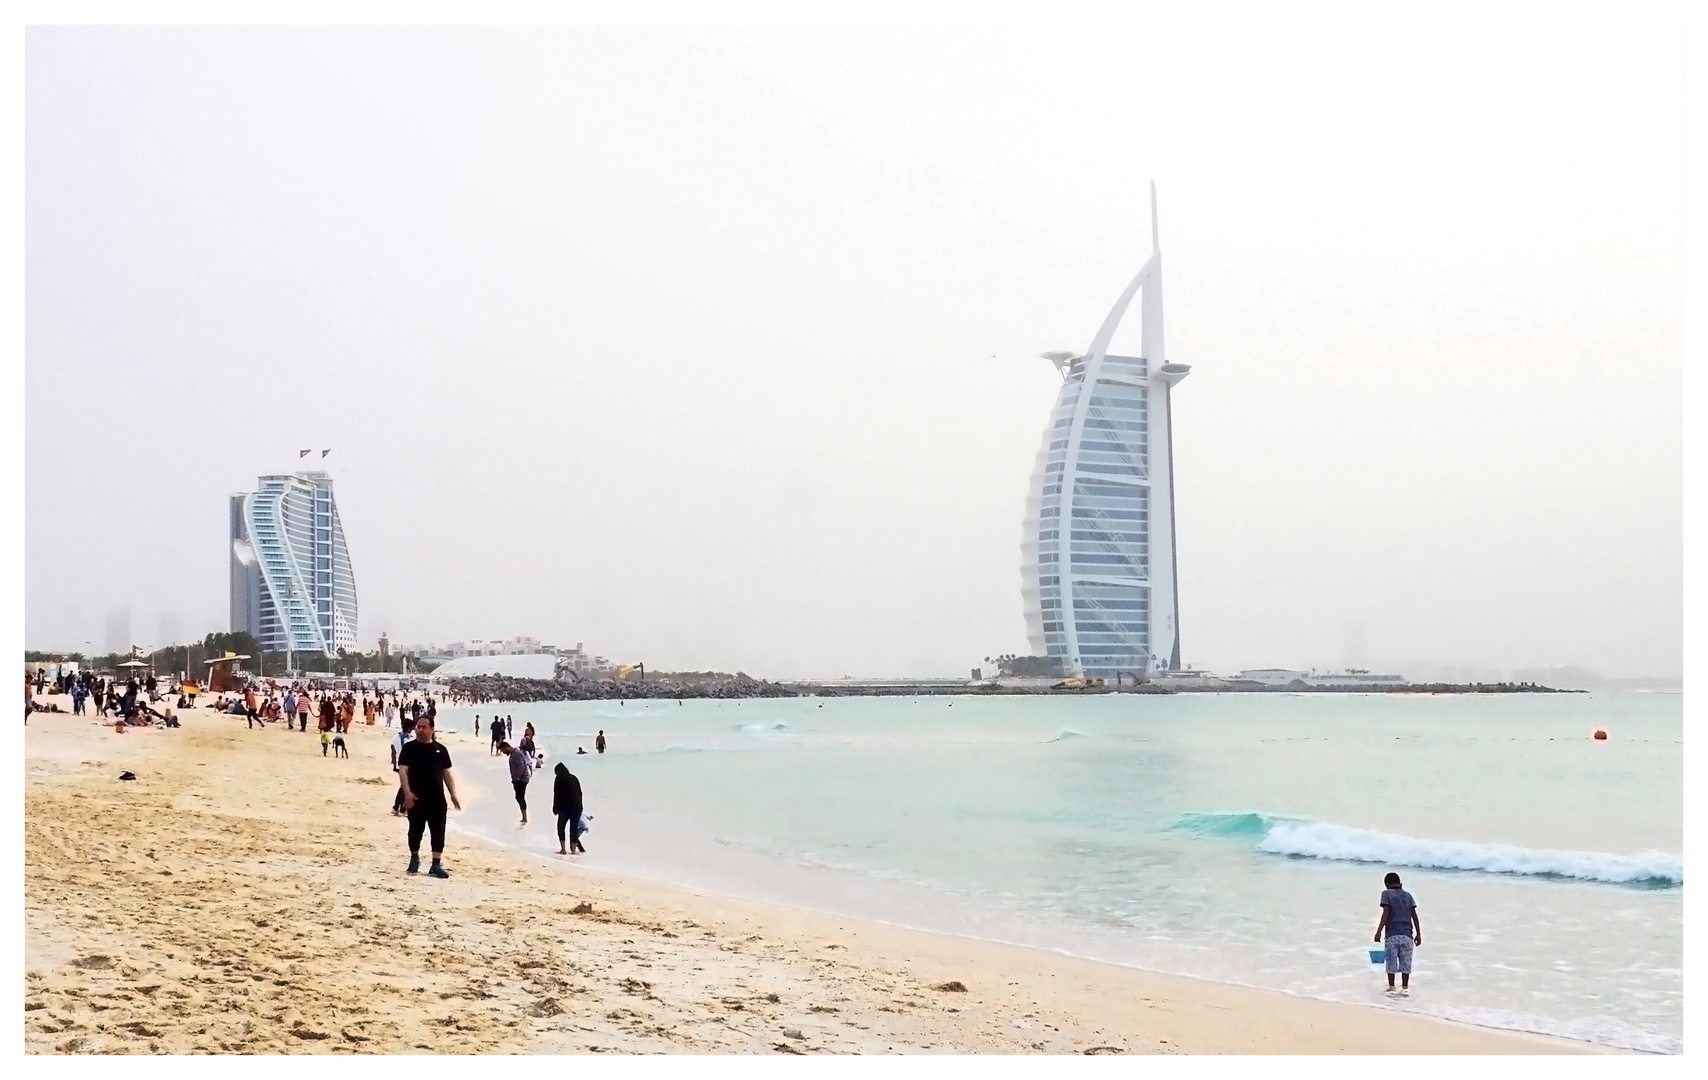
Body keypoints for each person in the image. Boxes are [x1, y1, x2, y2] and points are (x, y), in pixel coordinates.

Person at [396, 714, 460, 878]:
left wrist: (453, 794)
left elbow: (447, 774)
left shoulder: (441, 750)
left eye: (424, 727)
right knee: (415, 830)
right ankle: (414, 857)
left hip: (437, 799)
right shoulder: (409, 748)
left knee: (438, 831)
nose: (420, 730)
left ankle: (436, 864)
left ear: (432, 729)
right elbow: (403, 771)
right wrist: (407, 793)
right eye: (418, 727)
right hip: (416, 798)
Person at [1374, 872, 1422, 996]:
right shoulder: (1408, 895)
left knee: (1391, 964)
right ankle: (1405, 988)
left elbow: (1386, 912)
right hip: (1407, 935)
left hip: (1392, 934)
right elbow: (1414, 915)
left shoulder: (1386, 894)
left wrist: (1378, 931)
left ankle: (1391, 988)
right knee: (1406, 963)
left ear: (1387, 884)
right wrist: (1418, 933)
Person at [552, 762, 585, 855]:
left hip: (565, 808)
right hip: (577, 807)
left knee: (561, 828)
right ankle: (574, 851)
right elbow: (580, 793)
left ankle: (563, 849)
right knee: (573, 829)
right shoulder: (574, 778)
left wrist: (555, 808)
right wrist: (581, 806)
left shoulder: (559, 778)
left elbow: (557, 794)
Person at [501, 739, 533, 825]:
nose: (503, 753)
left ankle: (525, 818)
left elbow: (521, 766)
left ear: (506, 747)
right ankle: (524, 817)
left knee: (520, 797)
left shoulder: (516, 754)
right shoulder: (514, 753)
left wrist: (517, 778)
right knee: (518, 797)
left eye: (503, 750)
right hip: (519, 779)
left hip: (522, 779)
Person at [390, 716, 417, 815]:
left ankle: (397, 807)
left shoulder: (395, 737)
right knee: (406, 787)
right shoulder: (411, 740)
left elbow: (393, 752)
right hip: (409, 765)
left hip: (399, 764)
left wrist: (394, 765)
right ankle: (402, 808)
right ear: (410, 728)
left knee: (403, 786)